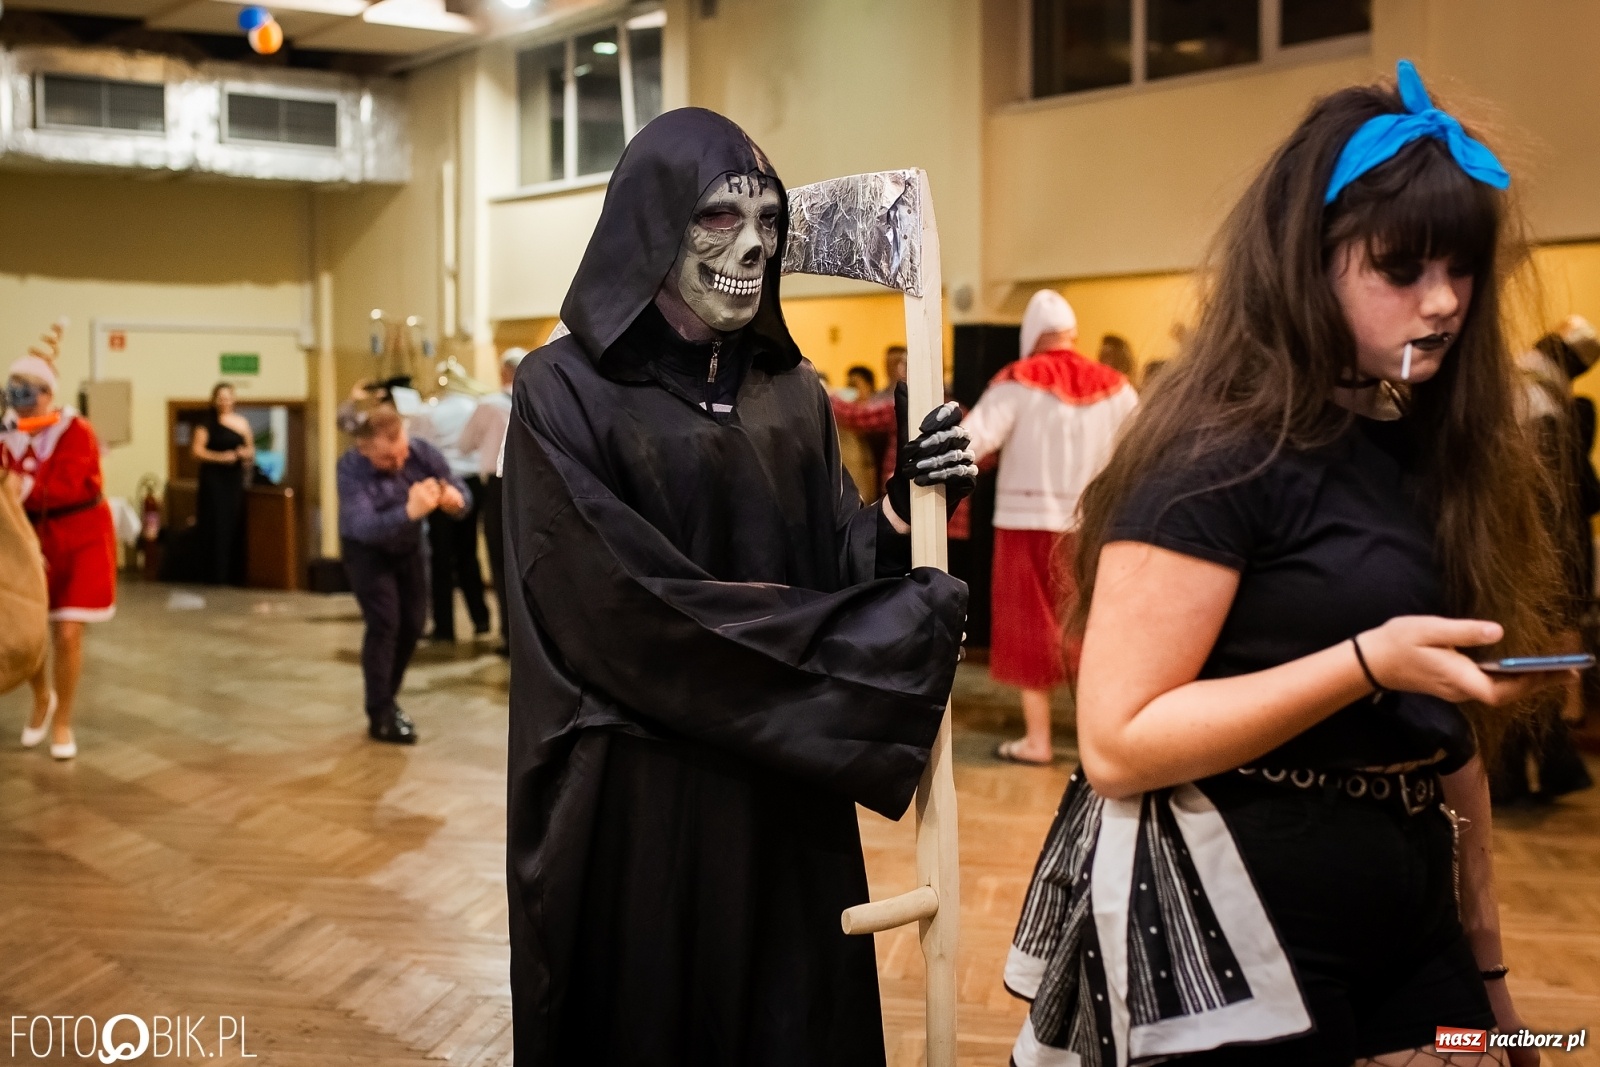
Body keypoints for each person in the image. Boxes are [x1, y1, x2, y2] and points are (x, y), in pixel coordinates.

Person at [1005, 61, 1564, 1067]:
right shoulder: (1216, 458)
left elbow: (1449, 743)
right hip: (1233, 930)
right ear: (1311, 263)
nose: (1440, 303)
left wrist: (1492, 987)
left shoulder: (1432, 449)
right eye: (1400, 270)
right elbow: (1118, 740)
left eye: (1459, 269)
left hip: (1414, 920)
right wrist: (1364, 661)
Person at [501, 107, 977, 1066]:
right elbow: (618, 606)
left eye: (768, 222)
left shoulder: (790, 390)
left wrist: (895, 517)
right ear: (652, 224)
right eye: (720, 217)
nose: (753, 245)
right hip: (637, 799)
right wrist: (872, 647)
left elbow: (825, 559)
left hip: (776, 791)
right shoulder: (562, 391)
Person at [966, 290, 1137, 765]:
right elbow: (1145, 451)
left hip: (1024, 523)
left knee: (1027, 625)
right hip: (1092, 525)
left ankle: (1038, 740)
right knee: (1090, 626)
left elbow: (972, 443)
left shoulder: (1016, 380)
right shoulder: (1118, 386)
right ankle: (1094, 737)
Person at [1491, 324, 1599, 805]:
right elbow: (1552, 498)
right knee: (1526, 667)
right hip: (1535, 555)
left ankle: (1524, 775)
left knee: (1522, 666)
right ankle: (1536, 771)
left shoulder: (1524, 393)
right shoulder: (1546, 404)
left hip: (1521, 553)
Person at [3, 322, 117, 761]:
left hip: (79, 538)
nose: (23, 397)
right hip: (27, 540)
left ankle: (63, 719)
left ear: (49, 393)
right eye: (15, 388)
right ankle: (40, 699)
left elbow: (71, 483)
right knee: (31, 632)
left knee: (67, 633)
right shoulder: (6, 432)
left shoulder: (76, 431)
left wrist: (21, 483)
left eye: (31, 389)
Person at [337, 400, 472, 744]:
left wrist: (454, 500)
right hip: (367, 553)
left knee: (413, 624)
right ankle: (380, 712)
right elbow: (363, 526)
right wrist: (409, 512)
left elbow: (458, 488)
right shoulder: (350, 469)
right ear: (364, 448)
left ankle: (387, 698)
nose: (399, 464)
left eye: (401, 454)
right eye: (387, 459)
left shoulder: (420, 451)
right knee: (384, 623)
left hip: (410, 549)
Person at [409, 373, 491, 643]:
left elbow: (421, 448)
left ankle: (445, 627)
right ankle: (481, 619)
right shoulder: (473, 407)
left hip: (443, 484)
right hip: (475, 485)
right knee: (469, 555)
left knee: (441, 558)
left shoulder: (432, 412)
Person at [456, 348, 526, 656]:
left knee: (500, 562)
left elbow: (464, 444)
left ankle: (510, 636)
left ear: (502, 373)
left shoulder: (488, 405)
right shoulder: (538, 396)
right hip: (530, 484)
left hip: (498, 486)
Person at [190, 382, 254, 585]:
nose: (224, 401)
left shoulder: (242, 423)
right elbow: (197, 451)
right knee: (215, 523)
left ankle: (233, 575)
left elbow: (251, 449)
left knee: (233, 522)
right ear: (214, 400)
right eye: (221, 397)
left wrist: (245, 454)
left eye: (228, 397)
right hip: (214, 480)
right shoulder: (207, 423)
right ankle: (213, 574)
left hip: (233, 480)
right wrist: (221, 457)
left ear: (233, 399)